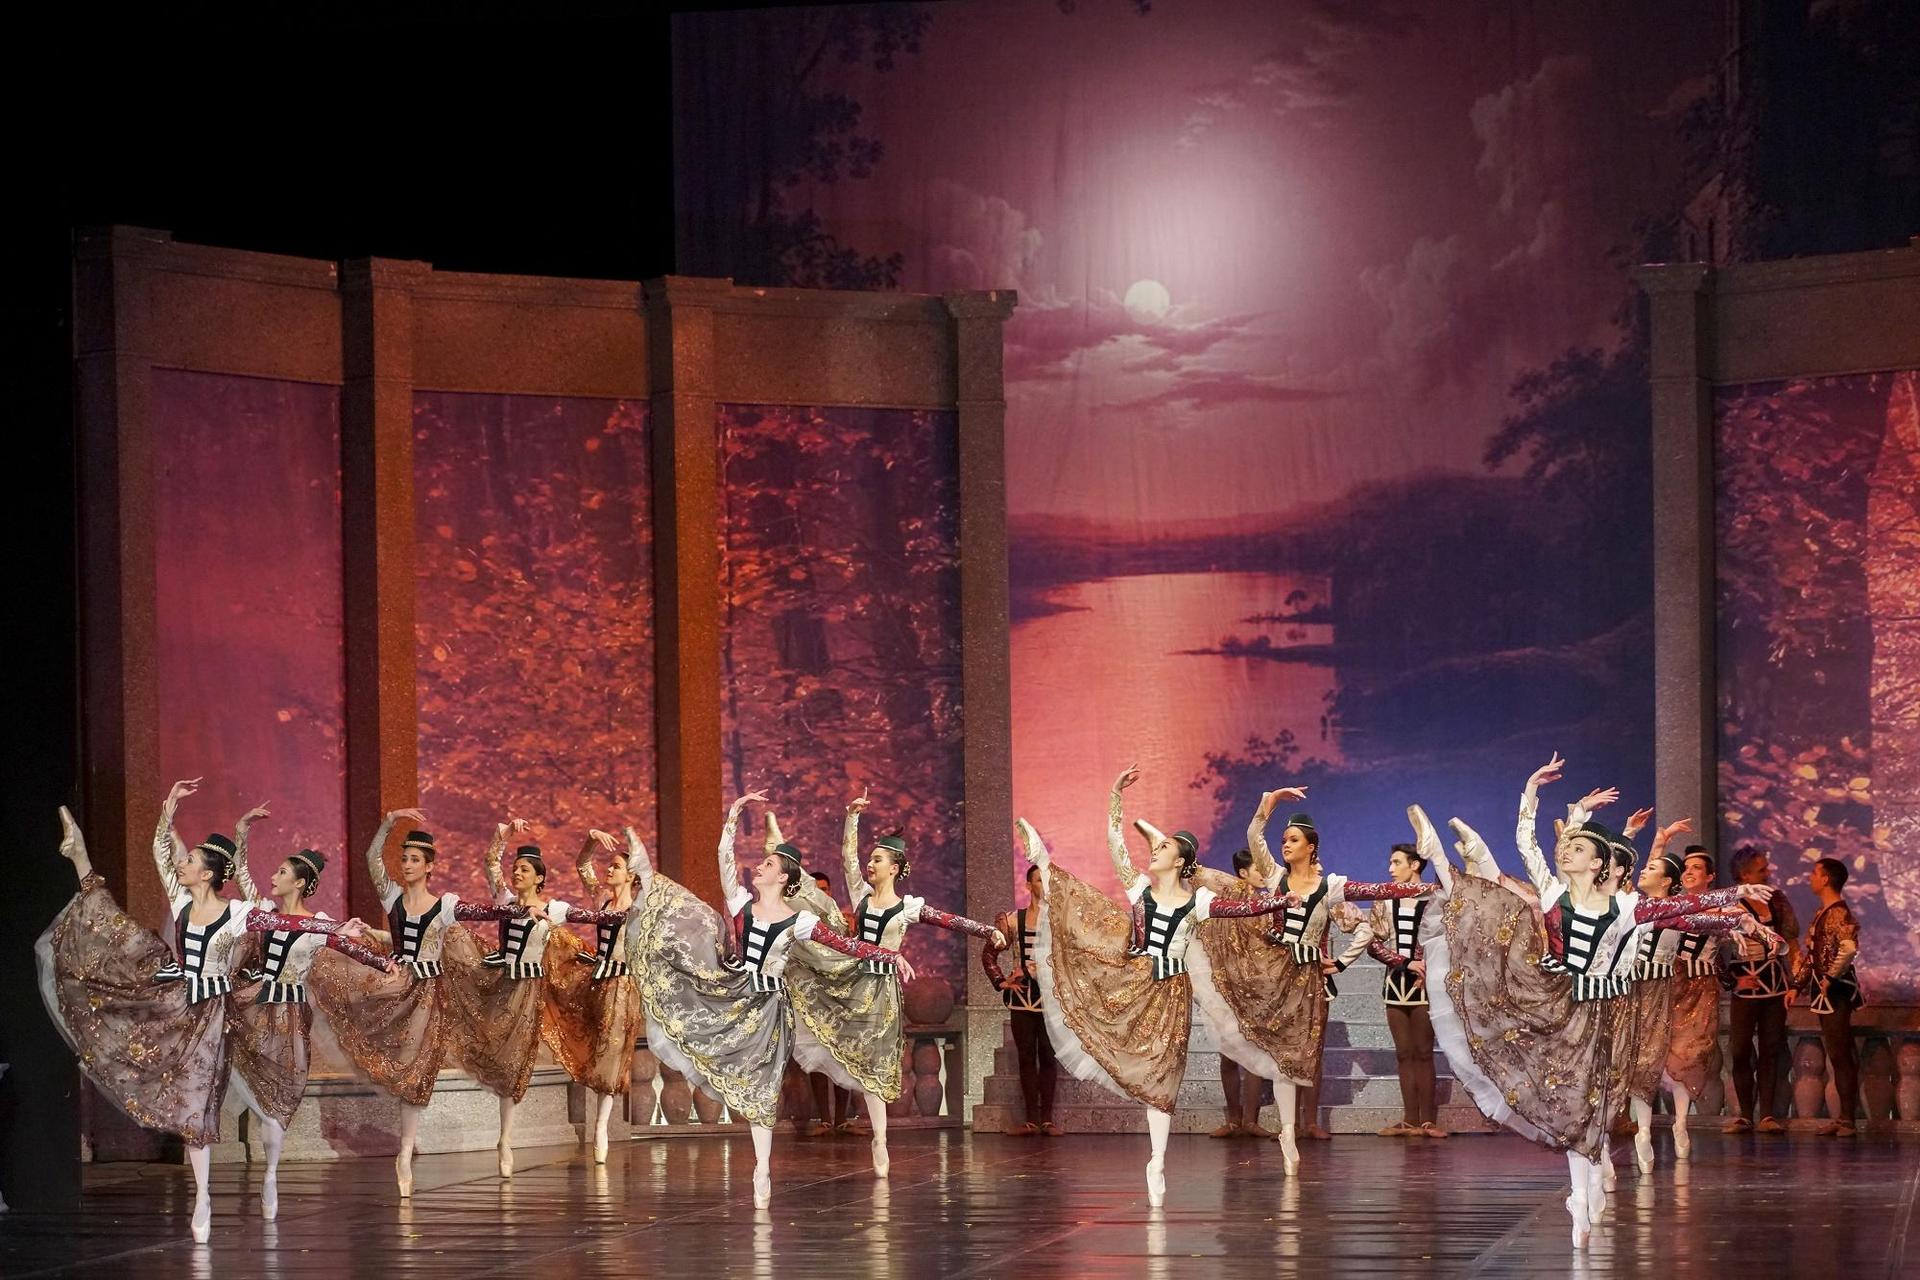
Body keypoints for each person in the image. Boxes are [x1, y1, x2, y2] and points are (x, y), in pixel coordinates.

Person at [1419, 753, 1782, 1248]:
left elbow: (1685, 908)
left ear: (1599, 864)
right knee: (1574, 1100)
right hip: (1561, 1007)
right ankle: (1580, 1192)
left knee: (1600, 1102)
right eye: (1565, 846)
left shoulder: (1628, 906)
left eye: (1576, 847)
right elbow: (1527, 842)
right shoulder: (1550, 893)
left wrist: (1738, 906)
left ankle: (1588, 1183)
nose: (1565, 851)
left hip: (1613, 1013)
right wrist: (1530, 787)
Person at [36, 788, 388, 1241]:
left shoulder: (242, 914)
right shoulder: (182, 904)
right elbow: (162, 852)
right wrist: (167, 809)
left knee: (211, 1099)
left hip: (222, 1013)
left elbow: (290, 923)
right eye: (183, 862)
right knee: (114, 932)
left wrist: (337, 928)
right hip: (181, 1005)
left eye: (191, 862)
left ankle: (252, 1177)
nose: (182, 866)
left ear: (207, 873)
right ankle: (201, 1192)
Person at [1019, 764, 1301, 1205]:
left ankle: (1157, 1159)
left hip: (1172, 992)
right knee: (1083, 907)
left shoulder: (1201, 901)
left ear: (1180, 860)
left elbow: (1241, 911)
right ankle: (1041, 859)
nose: (1154, 851)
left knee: (1164, 1075)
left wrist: (1282, 899)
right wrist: (1115, 796)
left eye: (1163, 847)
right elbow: (1116, 846)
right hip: (1136, 981)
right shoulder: (1140, 893)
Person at [623, 793, 907, 1207]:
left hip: (774, 1007)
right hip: (739, 995)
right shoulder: (742, 906)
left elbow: (849, 946)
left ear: (783, 877)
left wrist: (891, 954)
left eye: (768, 864)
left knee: (764, 1087)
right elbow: (724, 856)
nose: (759, 866)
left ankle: (762, 1166)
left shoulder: (802, 921)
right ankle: (646, 871)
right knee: (684, 923)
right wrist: (735, 813)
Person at [307, 811, 536, 1197]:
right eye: (405, 858)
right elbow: (371, 858)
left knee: (415, 1072)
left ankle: (405, 1152)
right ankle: (403, 1145)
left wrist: (518, 909)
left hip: (429, 994)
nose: (407, 865)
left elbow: (483, 911)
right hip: (394, 985)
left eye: (414, 859)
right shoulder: (393, 897)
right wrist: (389, 822)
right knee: (389, 1056)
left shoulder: (444, 905)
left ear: (430, 866)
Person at [780, 787, 1002, 1177]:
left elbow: (950, 920)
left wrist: (987, 931)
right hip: (850, 981)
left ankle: (879, 1138)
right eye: (871, 859)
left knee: (876, 1066)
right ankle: (836, 1111)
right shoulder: (862, 897)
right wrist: (852, 817)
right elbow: (848, 857)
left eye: (877, 859)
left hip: (882, 994)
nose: (870, 864)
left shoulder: (908, 907)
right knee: (834, 1037)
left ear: (894, 868)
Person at [1722, 844, 1802, 1134]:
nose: (1768, 874)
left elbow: (1789, 944)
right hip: (1745, 987)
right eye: (1761, 870)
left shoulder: (1776, 901)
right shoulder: (1730, 904)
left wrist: (1793, 984)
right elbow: (1715, 949)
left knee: (1770, 1048)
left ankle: (1767, 1115)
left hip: (1774, 986)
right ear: (1744, 876)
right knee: (1741, 1049)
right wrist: (1732, 980)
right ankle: (1744, 1114)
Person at [1367, 841, 1444, 1138]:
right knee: (1404, 1053)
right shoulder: (1386, 900)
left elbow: (1445, 939)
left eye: (1396, 862)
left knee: (1424, 1052)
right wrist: (1403, 962)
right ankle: (1410, 1119)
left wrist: (1426, 966)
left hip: (1427, 985)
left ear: (1414, 865)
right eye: (1390, 863)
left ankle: (1428, 1120)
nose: (1390, 869)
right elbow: (1372, 943)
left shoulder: (1437, 898)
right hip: (1395, 983)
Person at [981, 862, 1060, 1135]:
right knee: (1026, 1056)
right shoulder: (1015, 920)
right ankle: (1030, 1120)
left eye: (1046, 880)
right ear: (1029, 885)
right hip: (1022, 998)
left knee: (1048, 1056)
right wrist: (1001, 981)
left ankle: (1047, 1120)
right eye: (1038, 880)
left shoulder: (1059, 920)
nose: (1043, 885)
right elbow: (989, 954)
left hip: (1051, 998)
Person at [1793, 855, 1863, 1137]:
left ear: (1826, 879)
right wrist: (1796, 986)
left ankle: (1847, 1118)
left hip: (1836, 990)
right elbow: (1813, 955)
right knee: (1836, 1051)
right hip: (1827, 988)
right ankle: (1842, 1117)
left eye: (1815, 872)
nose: (1810, 877)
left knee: (1840, 1051)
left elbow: (1847, 948)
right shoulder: (1823, 914)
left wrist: (1830, 977)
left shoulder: (1838, 914)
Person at [1210, 847, 1272, 1139]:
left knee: (1256, 1053)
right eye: (1258, 869)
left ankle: (1251, 1119)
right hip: (1228, 985)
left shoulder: (1269, 905)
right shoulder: (1225, 906)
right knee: (1228, 1055)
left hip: (1257, 987)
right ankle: (1234, 1118)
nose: (1264, 874)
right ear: (1243, 873)